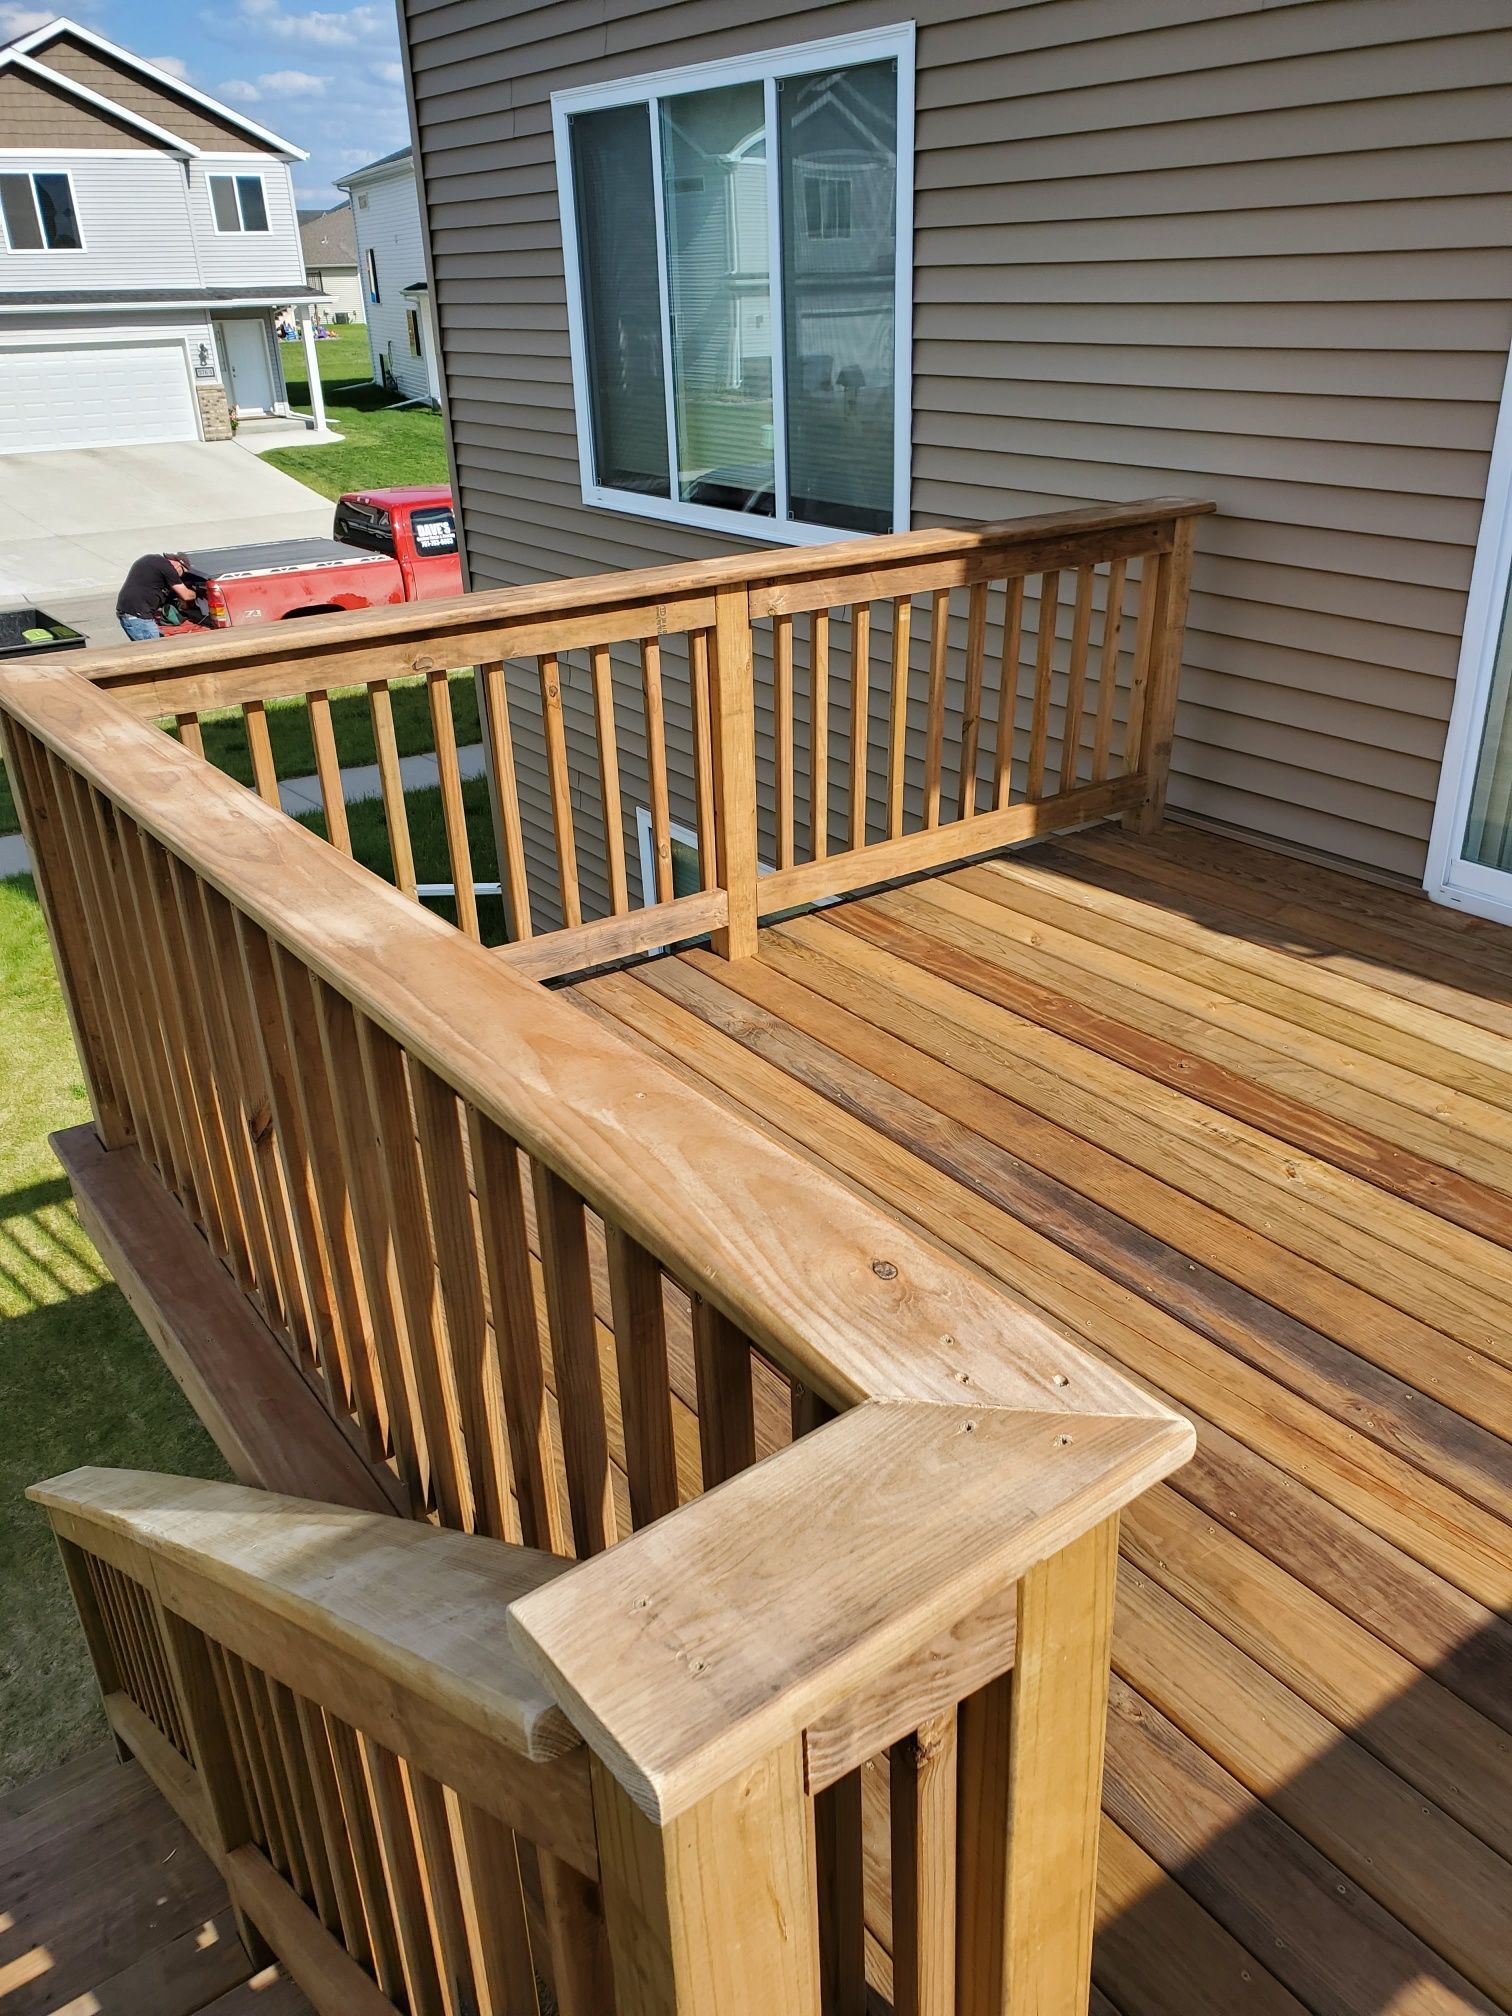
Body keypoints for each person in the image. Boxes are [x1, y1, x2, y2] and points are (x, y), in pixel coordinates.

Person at [115, 553, 194, 641]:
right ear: (179, 565)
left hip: (131, 612)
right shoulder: (167, 568)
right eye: (183, 572)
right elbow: (186, 595)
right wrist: (196, 593)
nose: (181, 576)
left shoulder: (152, 560)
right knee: (155, 649)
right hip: (138, 617)